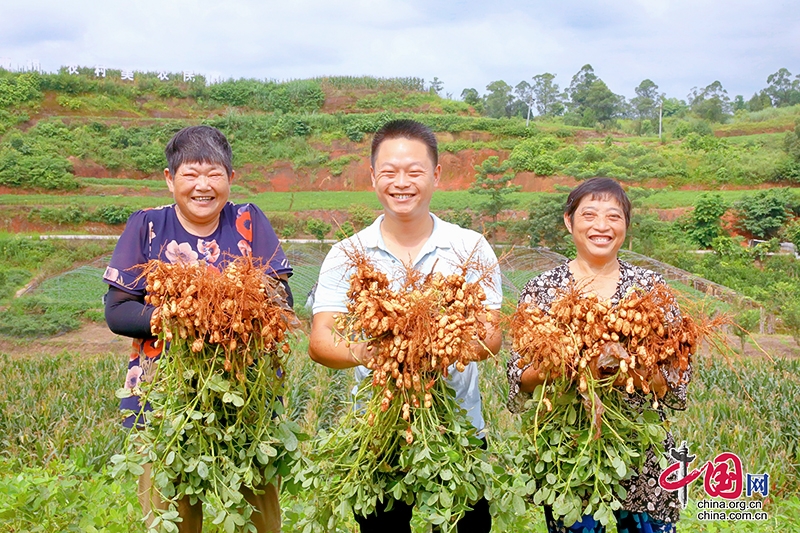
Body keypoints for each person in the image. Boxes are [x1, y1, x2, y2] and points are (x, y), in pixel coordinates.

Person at [309, 119, 502, 533]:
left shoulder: (470, 248)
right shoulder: (348, 253)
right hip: (377, 429)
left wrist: (438, 349)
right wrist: (369, 352)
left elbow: (490, 337)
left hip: (459, 431)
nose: (402, 182)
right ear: (373, 177)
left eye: (414, 172)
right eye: (391, 172)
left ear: (435, 176)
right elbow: (321, 341)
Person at [103, 125, 293, 533]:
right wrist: (190, 319)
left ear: (230, 178)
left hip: (248, 400)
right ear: (170, 179)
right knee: (172, 519)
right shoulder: (147, 226)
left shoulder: (249, 220)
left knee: (258, 519)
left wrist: (229, 313)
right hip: (164, 405)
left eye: (214, 174)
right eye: (191, 174)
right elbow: (118, 312)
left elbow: (281, 299)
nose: (203, 186)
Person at [507, 177, 686, 533]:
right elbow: (520, 378)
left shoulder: (651, 290)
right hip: (571, 458)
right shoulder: (542, 289)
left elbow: (675, 378)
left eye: (613, 217)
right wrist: (564, 365)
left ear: (626, 226)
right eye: (589, 214)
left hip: (643, 460)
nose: (601, 226)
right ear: (568, 221)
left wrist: (627, 371)